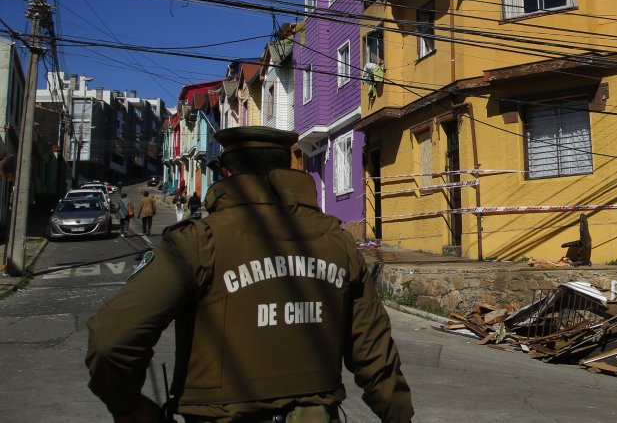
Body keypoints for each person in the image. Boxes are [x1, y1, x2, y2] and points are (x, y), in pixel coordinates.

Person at [85, 126, 412, 423]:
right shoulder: (338, 243)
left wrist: (128, 406)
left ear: (226, 173)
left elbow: (111, 340)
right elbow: (376, 358)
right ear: (289, 170)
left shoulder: (198, 242)